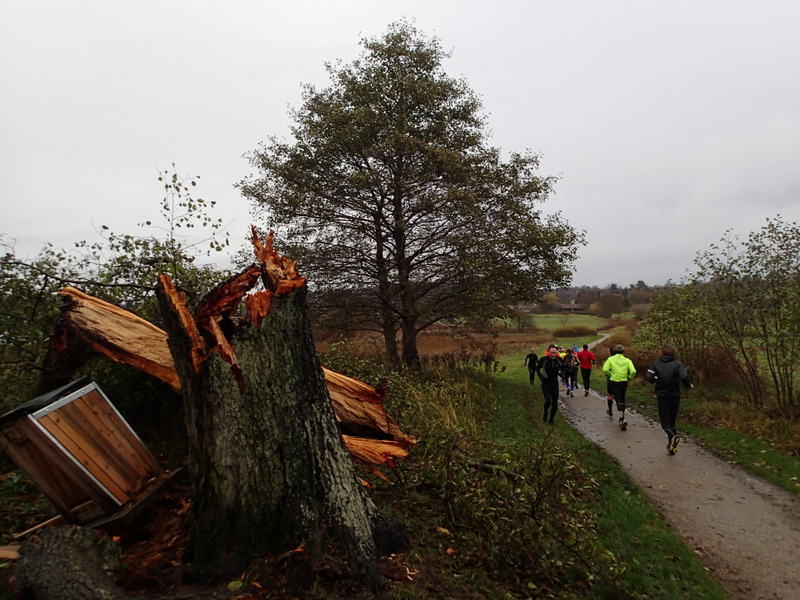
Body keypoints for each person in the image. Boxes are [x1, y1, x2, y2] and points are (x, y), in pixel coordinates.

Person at [645, 344, 693, 455]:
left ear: (662, 353)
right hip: (675, 395)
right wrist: (688, 385)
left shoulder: (656, 364)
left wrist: (654, 379)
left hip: (662, 395)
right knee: (672, 421)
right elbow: (684, 377)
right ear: (673, 353)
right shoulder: (678, 365)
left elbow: (648, 377)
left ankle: (672, 437)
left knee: (664, 422)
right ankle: (671, 447)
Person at [602, 344, 637, 430]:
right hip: (624, 381)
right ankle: (622, 417)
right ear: (623, 351)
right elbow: (633, 371)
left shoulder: (610, 359)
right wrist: (629, 377)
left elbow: (605, 369)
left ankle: (622, 418)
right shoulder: (627, 360)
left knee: (618, 399)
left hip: (614, 381)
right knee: (622, 398)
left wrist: (611, 374)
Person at [537, 344, 563, 424]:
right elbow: (537, 368)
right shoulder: (543, 360)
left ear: (556, 353)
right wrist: (541, 376)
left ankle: (551, 419)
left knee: (555, 404)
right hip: (545, 383)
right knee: (548, 401)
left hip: (554, 383)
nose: (553, 355)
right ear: (548, 352)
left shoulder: (559, 360)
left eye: (554, 353)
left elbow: (563, 368)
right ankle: (545, 412)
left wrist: (562, 374)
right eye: (551, 353)